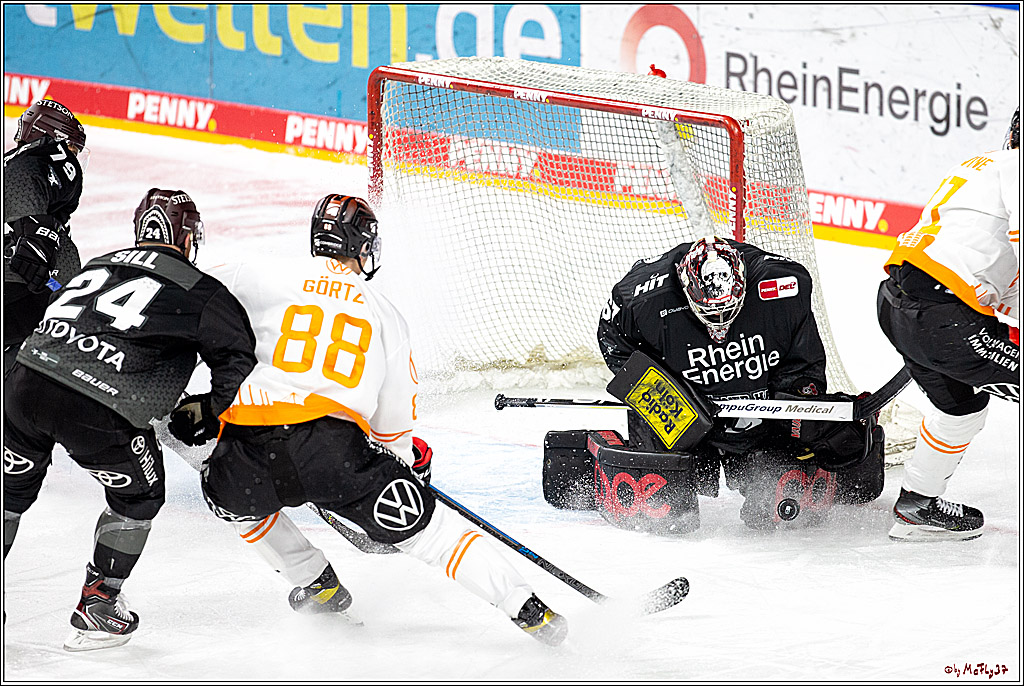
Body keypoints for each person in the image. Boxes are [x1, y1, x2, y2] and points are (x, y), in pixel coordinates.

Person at [179, 194, 567, 646]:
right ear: (364, 245)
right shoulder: (385, 314)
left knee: (232, 501)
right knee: (435, 536)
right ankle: (529, 610)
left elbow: (187, 291)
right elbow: (392, 428)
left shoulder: (257, 273)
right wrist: (401, 468)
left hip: (245, 458)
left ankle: (314, 581)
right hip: (333, 456)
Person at [3, 189, 257, 651]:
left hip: (24, 382)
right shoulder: (201, 289)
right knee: (140, 496)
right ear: (186, 236)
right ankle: (98, 602)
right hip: (96, 409)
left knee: (9, 492)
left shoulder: (98, 263)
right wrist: (207, 408)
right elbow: (239, 360)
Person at [594, 235, 884, 532]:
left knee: (780, 510)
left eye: (728, 312)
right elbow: (614, 345)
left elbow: (803, 358)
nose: (719, 323)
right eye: (710, 314)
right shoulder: (640, 296)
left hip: (758, 420)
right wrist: (670, 396)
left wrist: (796, 402)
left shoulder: (784, 283)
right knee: (666, 520)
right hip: (682, 418)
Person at [877, 107, 1019, 542]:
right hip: (944, 318)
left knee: (961, 409)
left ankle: (918, 505)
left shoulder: (982, 165)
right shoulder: (1018, 167)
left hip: (896, 303)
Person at [4, 99, 89, 374]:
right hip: (24, 296)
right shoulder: (41, 159)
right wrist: (33, 235)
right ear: (53, 139)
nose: (74, 157)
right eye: (73, 147)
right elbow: (28, 174)